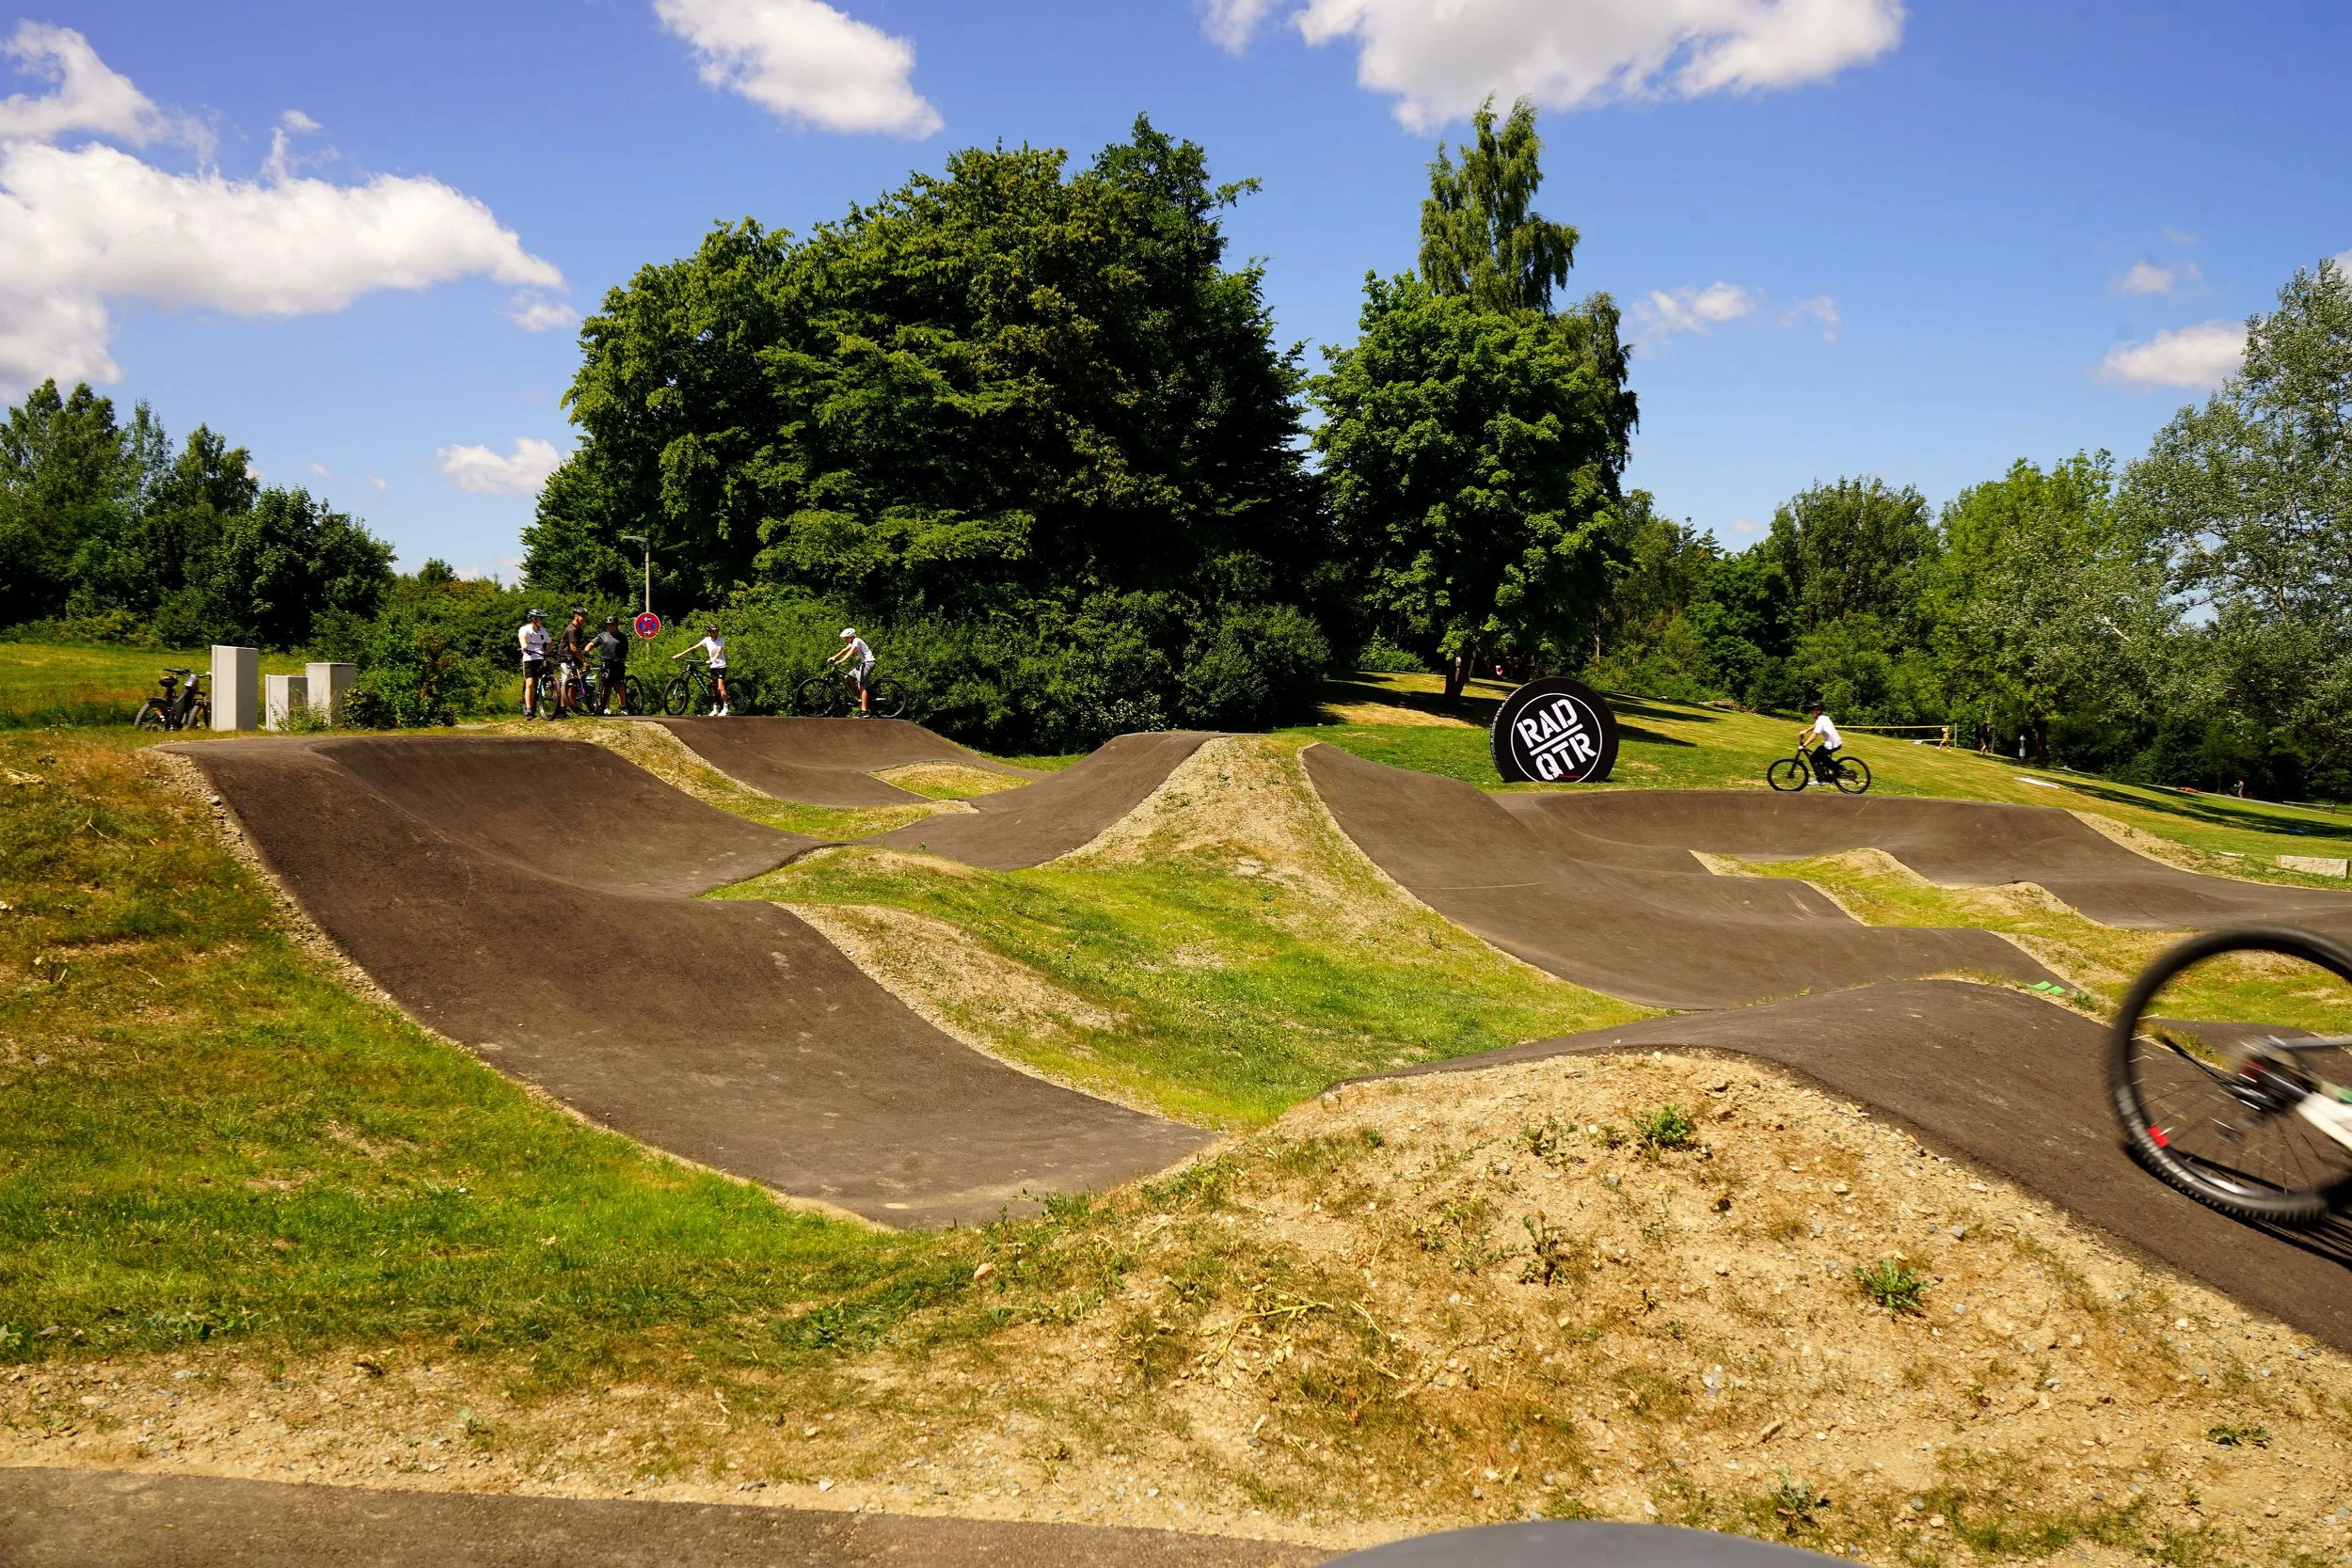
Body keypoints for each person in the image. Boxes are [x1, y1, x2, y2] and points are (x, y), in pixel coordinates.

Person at [671, 624, 730, 716]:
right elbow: (694, 647)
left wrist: (712, 660)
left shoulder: (720, 640)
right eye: (713, 632)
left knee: (720, 687)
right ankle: (715, 708)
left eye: (716, 632)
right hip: (712, 667)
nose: (715, 634)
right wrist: (679, 655)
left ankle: (726, 708)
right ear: (709, 633)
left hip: (721, 666)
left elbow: (719, 652)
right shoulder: (707, 640)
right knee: (712, 687)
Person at [826, 626, 876, 717]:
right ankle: (859, 697)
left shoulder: (857, 640)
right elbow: (844, 650)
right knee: (847, 677)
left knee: (862, 686)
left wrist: (840, 661)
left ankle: (865, 711)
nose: (845, 640)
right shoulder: (852, 642)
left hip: (869, 663)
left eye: (846, 638)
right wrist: (834, 657)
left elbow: (851, 652)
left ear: (851, 637)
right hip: (863, 664)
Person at [591, 614, 630, 715]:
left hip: (617, 663)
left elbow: (626, 650)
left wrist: (622, 658)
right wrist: (586, 651)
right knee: (605, 685)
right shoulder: (602, 636)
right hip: (605, 663)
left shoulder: (622, 636)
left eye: (613, 624)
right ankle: (606, 707)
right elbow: (592, 644)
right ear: (606, 626)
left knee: (619, 685)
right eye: (609, 625)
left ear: (616, 625)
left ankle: (623, 707)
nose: (611, 626)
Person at [553, 609, 591, 715]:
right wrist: (583, 661)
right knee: (569, 682)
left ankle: (565, 708)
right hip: (565, 658)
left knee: (572, 683)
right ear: (575, 616)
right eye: (582, 616)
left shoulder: (578, 629)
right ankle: (569, 708)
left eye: (585, 616)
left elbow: (577, 649)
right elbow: (573, 648)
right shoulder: (572, 629)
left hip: (572, 658)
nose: (584, 618)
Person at [1799, 701, 1844, 783]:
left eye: (1812, 710)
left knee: (1813, 758)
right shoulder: (1824, 718)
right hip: (1836, 742)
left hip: (1831, 744)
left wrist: (1804, 746)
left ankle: (1820, 779)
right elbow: (1815, 725)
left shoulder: (1821, 720)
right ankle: (1839, 771)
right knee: (1822, 758)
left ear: (1818, 711)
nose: (1811, 712)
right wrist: (1805, 731)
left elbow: (1814, 736)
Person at [517, 609, 549, 718]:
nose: (542, 621)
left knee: (548, 677)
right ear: (533, 619)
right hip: (529, 658)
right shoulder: (525, 629)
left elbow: (550, 642)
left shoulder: (543, 631)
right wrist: (524, 645)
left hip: (540, 657)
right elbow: (522, 638)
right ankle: (529, 709)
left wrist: (546, 651)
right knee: (530, 683)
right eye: (541, 618)